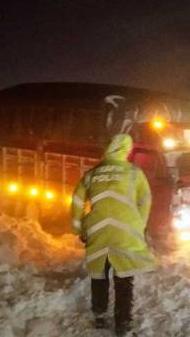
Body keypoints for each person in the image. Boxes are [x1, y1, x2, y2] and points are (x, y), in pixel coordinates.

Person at [70, 134, 155, 335]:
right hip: (126, 233)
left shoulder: (91, 174)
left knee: (99, 275)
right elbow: (146, 199)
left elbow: (76, 202)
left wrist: (79, 229)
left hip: (98, 231)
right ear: (127, 150)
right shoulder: (134, 173)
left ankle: (99, 315)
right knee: (124, 278)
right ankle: (122, 323)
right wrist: (139, 225)